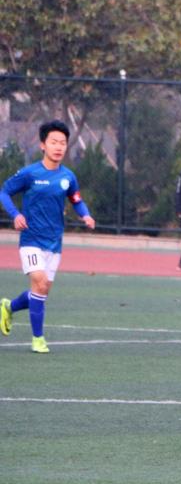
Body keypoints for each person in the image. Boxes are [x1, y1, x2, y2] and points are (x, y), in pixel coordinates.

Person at [0, 120, 96, 353]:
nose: (58, 147)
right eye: (53, 142)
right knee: (40, 282)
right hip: (31, 239)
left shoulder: (68, 177)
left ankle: (8, 307)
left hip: (54, 242)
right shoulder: (30, 173)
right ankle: (38, 339)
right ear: (43, 145)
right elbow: (4, 192)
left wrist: (85, 215)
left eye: (62, 143)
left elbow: (76, 200)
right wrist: (15, 214)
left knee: (41, 291)